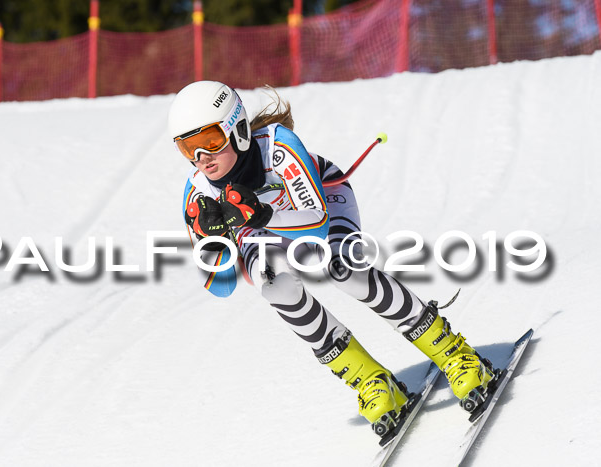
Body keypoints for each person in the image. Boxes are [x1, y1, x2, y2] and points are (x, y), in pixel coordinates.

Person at [168, 80, 494, 437]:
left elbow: (317, 226)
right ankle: (370, 381)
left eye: (210, 141)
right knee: (274, 287)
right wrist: (214, 241)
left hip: (321, 201)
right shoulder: (197, 191)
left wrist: (260, 214)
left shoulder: (277, 147)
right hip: (264, 226)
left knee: (340, 266)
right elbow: (222, 287)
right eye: (188, 147)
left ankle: (454, 354)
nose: (202, 158)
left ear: (238, 129)